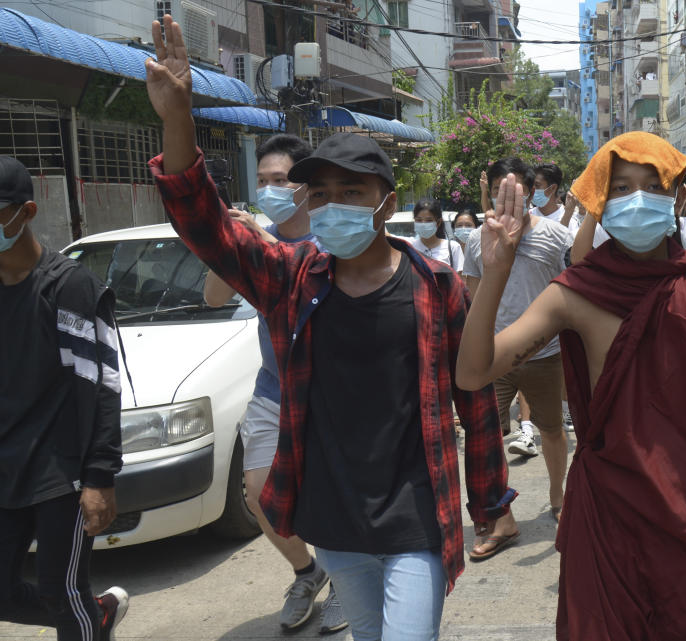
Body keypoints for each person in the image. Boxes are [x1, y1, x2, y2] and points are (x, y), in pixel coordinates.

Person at [145, 16, 514, 641]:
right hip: (333, 512)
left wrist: (489, 503)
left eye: (353, 191)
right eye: (322, 195)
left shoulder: (435, 287)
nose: (335, 205)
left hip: (415, 515)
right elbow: (204, 224)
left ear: (385, 202)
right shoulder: (290, 278)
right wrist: (179, 114)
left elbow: (472, 401)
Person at [456, 131, 686, 641]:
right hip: (609, 513)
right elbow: (472, 373)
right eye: (620, 188)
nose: (636, 199)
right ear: (599, 199)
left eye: (653, 185)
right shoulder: (575, 294)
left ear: (679, 198)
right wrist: (496, 269)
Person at [202, 134, 347, 634]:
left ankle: (348, 586)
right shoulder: (256, 236)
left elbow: (313, 281)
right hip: (272, 389)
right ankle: (308, 572)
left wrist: (262, 244)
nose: (269, 190)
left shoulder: (333, 238)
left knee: (333, 497)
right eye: (262, 181)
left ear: (305, 188)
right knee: (260, 493)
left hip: (326, 392)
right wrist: (229, 245)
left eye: (280, 181)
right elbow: (216, 296)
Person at [0, 156, 128, 641]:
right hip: (6, 466)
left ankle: (84, 619)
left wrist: (99, 476)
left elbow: (101, 386)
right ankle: (96, 617)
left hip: (62, 471)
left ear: (25, 212)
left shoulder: (68, 286)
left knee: (61, 590)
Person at [462, 157, 573, 547]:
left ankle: (558, 497)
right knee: (485, 435)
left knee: (551, 430)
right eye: (497, 190)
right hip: (494, 356)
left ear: (531, 193)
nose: (505, 198)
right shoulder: (477, 240)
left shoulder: (558, 238)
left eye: (515, 191)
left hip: (547, 354)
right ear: (490, 193)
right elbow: (473, 297)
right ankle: (500, 517)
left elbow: (572, 295)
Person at [411, 199, 464, 272]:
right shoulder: (409, 248)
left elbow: (460, 280)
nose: (423, 224)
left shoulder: (453, 248)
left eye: (428, 220)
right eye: (419, 220)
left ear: (438, 222)